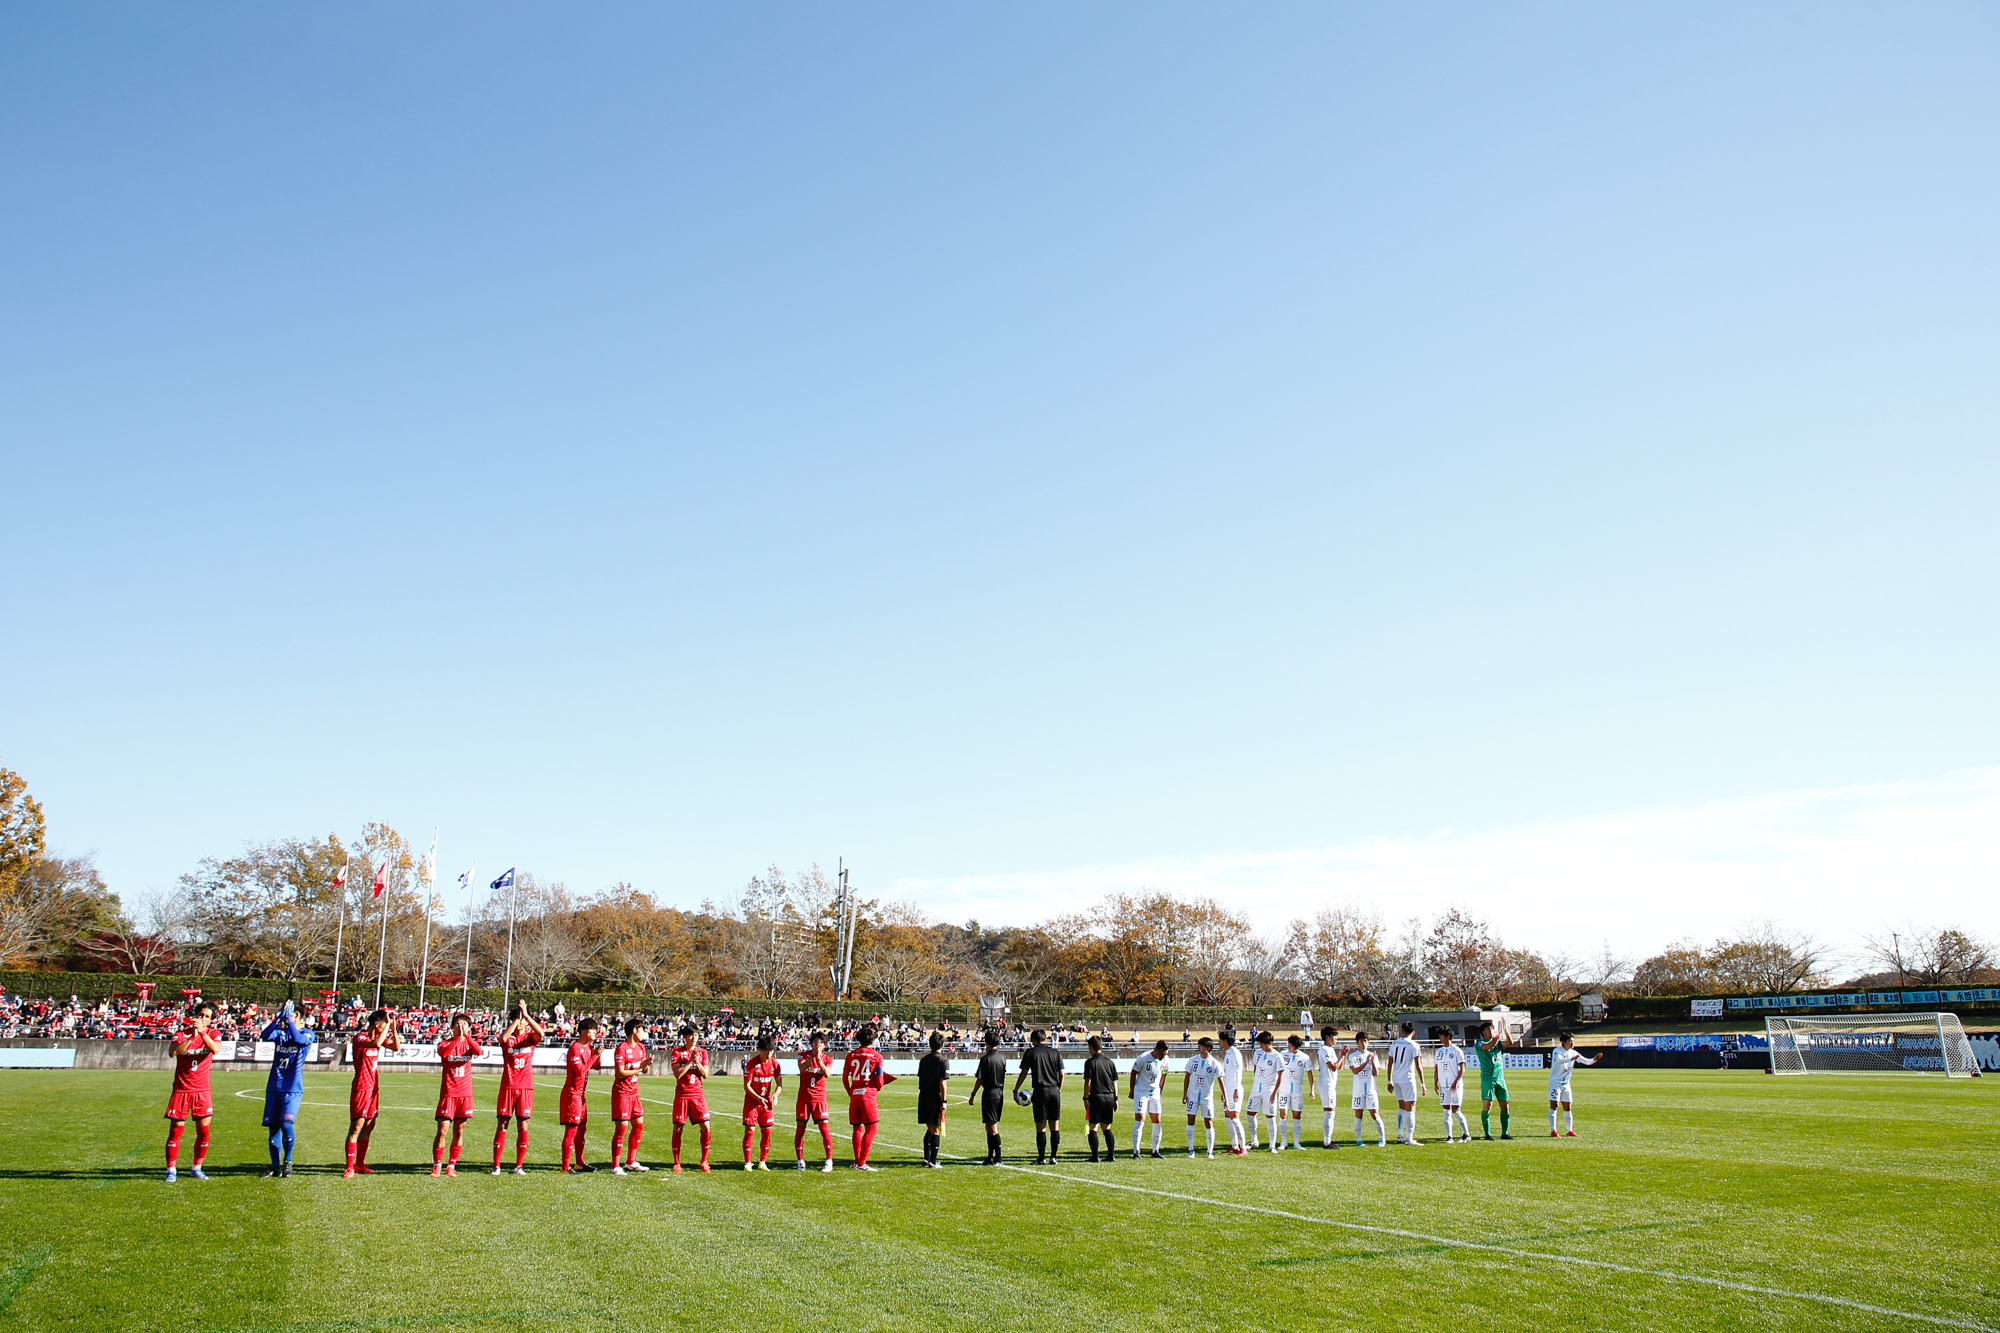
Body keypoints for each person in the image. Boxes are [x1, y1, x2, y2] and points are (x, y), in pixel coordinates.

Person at [164, 1000, 220, 1182]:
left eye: (207, 1017)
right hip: (181, 1090)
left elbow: (215, 1049)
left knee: (203, 1132)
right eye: (201, 1015)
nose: (203, 1019)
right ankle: (171, 1170)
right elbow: (173, 1053)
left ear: (211, 1021)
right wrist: (190, 1038)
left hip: (202, 1091)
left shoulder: (213, 1033)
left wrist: (202, 1033)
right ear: (195, 1015)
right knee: (175, 1131)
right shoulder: (181, 1034)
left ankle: (197, 1167)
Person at [260, 999, 315, 1177]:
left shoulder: (307, 1033)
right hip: (274, 1087)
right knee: (273, 1128)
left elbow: (298, 1040)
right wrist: (278, 1019)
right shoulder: (280, 1033)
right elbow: (265, 1035)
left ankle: (288, 1160)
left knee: (285, 1124)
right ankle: (274, 1167)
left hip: (292, 1089)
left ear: (296, 1014)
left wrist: (290, 1021)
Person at [344, 1008, 399, 1177]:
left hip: (373, 1089)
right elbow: (375, 1044)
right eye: (384, 1025)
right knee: (356, 1126)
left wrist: (394, 1031)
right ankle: (349, 1167)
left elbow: (396, 1048)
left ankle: (360, 1164)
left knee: (369, 1125)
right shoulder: (360, 1037)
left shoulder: (378, 1037)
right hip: (361, 1088)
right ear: (377, 1025)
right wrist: (387, 1027)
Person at [493, 1001, 545, 1175]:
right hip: (508, 1086)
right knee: (502, 1125)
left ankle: (519, 1165)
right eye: (518, 1019)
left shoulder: (530, 1038)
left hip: (525, 1088)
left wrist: (527, 1016)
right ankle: (497, 1165)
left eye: (523, 1020)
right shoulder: (508, 1038)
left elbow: (541, 1033)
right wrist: (516, 1019)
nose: (521, 1022)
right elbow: (503, 1039)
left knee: (523, 1125)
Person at [431, 1012, 482, 1177]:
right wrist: (457, 1039)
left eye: (464, 1025)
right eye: (458, 1025)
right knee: (442, 1131)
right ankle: (437, 1165)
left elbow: (479, 1052)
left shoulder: (469, 1044)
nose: (461, 1027)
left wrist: (466, 1037)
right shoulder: (444, 1043)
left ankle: (451, 1165)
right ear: (452, 1027)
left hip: (465, 1094)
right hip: (448, 1093)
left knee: (459, 1131)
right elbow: (445, 1054)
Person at [842, 1024, 897, 1170]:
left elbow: (844, 1078)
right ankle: (862, 1162)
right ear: (872, 1039)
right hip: (868, 1095)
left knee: (856, 1129)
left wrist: (851, 1092)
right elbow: (879, 1079)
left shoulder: (850, 1055)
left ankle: (856, 1161)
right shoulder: (877, 1056)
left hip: (855, 1096)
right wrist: (880, 1086)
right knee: (871, 1129)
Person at [1011, 1028, 1065, 1164]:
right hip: (1054, 1091)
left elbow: (1023, 1072)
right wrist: (1059, 1089)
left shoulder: (1030, 1053)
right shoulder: (1055, 1052)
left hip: (1040, 1091)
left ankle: (1041, 1158)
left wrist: (1016, 1089)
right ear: (1045, 1039)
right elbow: (1062, 1074)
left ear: (1034, 1040)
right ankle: (1053, 1157)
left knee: (1041, 1126)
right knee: (1055, 1125)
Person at [602, 1020, 649, 1174]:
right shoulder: (622, 1049)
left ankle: (630, 1162)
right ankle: (615, 1166)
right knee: (621, 1129)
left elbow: (643, 1070)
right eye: (642, 1029)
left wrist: (646, 1065)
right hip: (622, 1094)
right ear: (634, 1030)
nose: (643, 1032)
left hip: (634, 1093)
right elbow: (620, 1073)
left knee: (638, 1126)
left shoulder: (641, 1047)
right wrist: (640, 1069)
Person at [559, 1017, 602, 1173]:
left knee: (581, 1129)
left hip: (581, 1095)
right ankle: (565, 1167)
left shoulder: (589, 1047)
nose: (595, 1033)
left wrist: (598, 1054)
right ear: (584, 1031)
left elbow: (596, 1066)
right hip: (572, 1094)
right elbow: (580, 1071)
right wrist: (594, 1056)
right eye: (593, 1030)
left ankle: (579, 1162)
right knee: (571, 1130)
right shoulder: (575, 1048)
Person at [794, 1030, 836, 1172]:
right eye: (815, 1042)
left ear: (824, 1046)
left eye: (820, 1043)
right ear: (811, 1043)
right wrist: (813, 1056)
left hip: (819, 1098)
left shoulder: (827, 1059)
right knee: (800, 1129)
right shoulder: (803, 1055)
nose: (817, 1045)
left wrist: (819, 1059)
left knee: (824, 1130)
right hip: (804, 1097)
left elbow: (827, 1074)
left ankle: (828, 1160)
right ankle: (800, 1160)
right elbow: (802, 1068)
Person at [968, 1027, 1009, 1165]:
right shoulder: (1002, 1058)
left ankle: (998, 1157)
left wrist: (973, 1094)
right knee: (989, 1125)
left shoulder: (985, 1059)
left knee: (992, 1126)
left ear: (986, 1042)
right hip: (999, 1092)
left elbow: (980, 1079)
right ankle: (990, 1156)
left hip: (990, 1093)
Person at [741, 1034, 782, 1170]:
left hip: (766, 1102)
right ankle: (747, 1163)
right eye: (766, 1051)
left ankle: (762, 1162)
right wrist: (758, 1098)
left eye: (771, 1051)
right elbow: (747, 1086)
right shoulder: (752, 1064)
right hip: (752, 1102)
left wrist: (775, 1095)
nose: (769, 1054)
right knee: (750, 1130)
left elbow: (779, 1085)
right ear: (760, 1050)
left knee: (767, 1132)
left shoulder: (775, 1064)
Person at [1548, 1032, 1599, 1136]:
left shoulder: (1573, 1052)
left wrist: (1594, 1059)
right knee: (1554, 1105)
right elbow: (1559, 1060)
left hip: (1566, 1084)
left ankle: (1569, 1131)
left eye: (1573, 1041)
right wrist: (1571, 1059)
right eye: (1570, 1041)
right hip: (1555, 1082)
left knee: (1568, 1106)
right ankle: (1553, 1130)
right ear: (1563, 1042)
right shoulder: (1557, 1051)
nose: (1572, 1043)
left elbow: (1587, 1061)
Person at [1127, 1039, 1170, 1160]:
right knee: (1140, 1119)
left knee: (1157, 1120)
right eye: (1162, 1054)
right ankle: (1136, 1151)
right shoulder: (1143, 1058)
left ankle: (1155, 1150)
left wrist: (1159, 1090)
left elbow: (1164, 1075)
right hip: (1141, 1092)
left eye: (1165, 1054)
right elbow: (1133, 1073)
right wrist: (1132, 1090)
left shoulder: (1166, 1060)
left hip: (1154, 1093)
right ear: (1155, 1050)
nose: (1163, 1056)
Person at [1181, 1036, 1223, 1159]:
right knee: (1190, 1119)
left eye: (1201, 1046)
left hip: (1207, 1097)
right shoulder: (1193, 1060)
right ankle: (1190, 1149)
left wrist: (1224, 1095)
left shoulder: (1215, 1063)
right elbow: (1187, 1077)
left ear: (1208, 1048)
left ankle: (1210, 1151)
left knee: (1208, 1121)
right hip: (1193, 1096)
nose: (1198, 1047)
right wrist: (1185, 1093)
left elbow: (1221, 1080)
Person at [1387, 1021, 1426, 1147]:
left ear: (1402, 1031)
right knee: (1411, 1107)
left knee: (1402, 1106)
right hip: (1408, 1079)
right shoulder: (1414, 1045)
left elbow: (1390, 1063)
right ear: (1413, 1033)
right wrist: (1423, 1083)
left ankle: (1400, 1135)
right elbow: (1418, 1065)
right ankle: (1409, 1138)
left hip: (1397, 1078)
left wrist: (1389, 1080)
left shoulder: (1394, 1043)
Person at [1080, 1035, 1118, 1162]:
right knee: (1106, 1127)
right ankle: (1111, 1155)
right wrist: (1116, 1098)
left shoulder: (1090, 1062)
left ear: (1091, 1047)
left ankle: (1095, 1156)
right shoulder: (1110, 1062)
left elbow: (1088, 1082)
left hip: (1096, 1096)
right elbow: (1114, 1083)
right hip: (1109, 1097)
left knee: (1093, 1127)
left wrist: (1085, 1098)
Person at [1346, 1032, 1387, 1147]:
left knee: (1374, 1113)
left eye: (1365, 1041)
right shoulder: (1353, 1056)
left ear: (1368, 1042)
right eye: (1361, 1041)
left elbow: (1376, 1073)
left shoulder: (1373, 1055)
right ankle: (1359, 1140)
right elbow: (1355, 1070)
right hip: (1358, 1090)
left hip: (1370, 1089)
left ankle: (1382, 1138)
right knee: (1358, 1113)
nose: (1363, 1043)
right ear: (1357, 1043)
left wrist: (1372, 1061)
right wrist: (1366, 1062)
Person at [1248, 1030, 1285, 1152]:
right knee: (1250, 1113)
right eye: (1260, 1043)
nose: (1261, 1046)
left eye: (1263, 1043)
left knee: (1270, 1117)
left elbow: (1280, 1076)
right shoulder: (1258, 1053)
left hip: (1269, 1089)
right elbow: (1255, 1068)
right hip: (1256, 1088)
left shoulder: (1277, 1057)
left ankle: (1272, 1145)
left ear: (1270, 1043)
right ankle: (1253, 1140)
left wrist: (1274, 1092)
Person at [1474, 1020, 1513, 1140]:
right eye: (1488, 1029)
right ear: (1482, 1032)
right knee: (1487, 1105)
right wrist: (1498, 1034)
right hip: (1488, 1079)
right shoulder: (1479, 1043)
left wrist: (1505, 1030)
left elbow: (1510, 1042)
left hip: (1500, 1078)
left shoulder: (1498, 1043)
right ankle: (1487, 1134)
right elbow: (1489, 1046)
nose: (1491, 1031)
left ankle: (1504, 1133)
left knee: (1505, 1105)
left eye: (1492, 1029)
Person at [917, 1031, 950, 1168]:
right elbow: (942, 1082)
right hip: (934, 1096)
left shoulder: (923, 1060)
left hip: (923, 1095)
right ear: (942, 1045)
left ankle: (927, 1158)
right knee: (935, 1129)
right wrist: (944, 1101)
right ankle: (933, 1160)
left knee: (929, 1128)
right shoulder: (943, 1061)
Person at [1432, 1028, 1471, 1142]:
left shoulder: (1457, 1051)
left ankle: (1466, 1134)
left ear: (1448, 1037)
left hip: (1455, 1086)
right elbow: (1436, 1068)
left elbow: (1462, 1068)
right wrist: (1435, 1082)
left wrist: (1455, 1082)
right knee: (1446, 1110)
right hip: (1444, 1085)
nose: (1440, 1038)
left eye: (1442, 1036)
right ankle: (1449, 1136)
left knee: (1456, 1109)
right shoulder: (1438, 1051)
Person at [1308, 1026, 1343, 1147]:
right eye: (1334, 1037)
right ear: (1327, 1037)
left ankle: (1328, 1139)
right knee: (1329, 1111)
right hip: (1326, 1083)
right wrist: (1342, 1055)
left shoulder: (1328, 1049)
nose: (1336, 1039)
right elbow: (1333, 1067)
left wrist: (1342, 1055)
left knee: (1331, 1111)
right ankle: (1327, 1141)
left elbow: (1336, 1066)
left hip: (1329, 1083)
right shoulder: (1325, 1050)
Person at [1279, 1033, 1312, 1149]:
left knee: (1297, 1115)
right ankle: (1283, 1142)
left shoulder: (1304, 1057)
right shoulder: (1282, 1054)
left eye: (1290, 1044)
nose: (1288, 1046)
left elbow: (1309, 1073)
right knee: (1283, 1115)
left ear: (1295, 1046)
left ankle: (1296, 1143)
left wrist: (1312, 1089)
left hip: (1297, 1090)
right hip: (1284, 1089)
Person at [1217, 1029, 1247, 1156]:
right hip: (1227, 1090)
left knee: (1234, 1118)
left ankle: (1243, 1147)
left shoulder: (1235, 1053)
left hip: (1234, 1089)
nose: (1218, 1042)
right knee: (1228, 1118)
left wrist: (1235, 1089)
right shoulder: (1227, 1053)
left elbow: (1238, 1071)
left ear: (1225, 1041)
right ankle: (1234, 1146)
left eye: (1220, 1040)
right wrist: (1224, 1092)